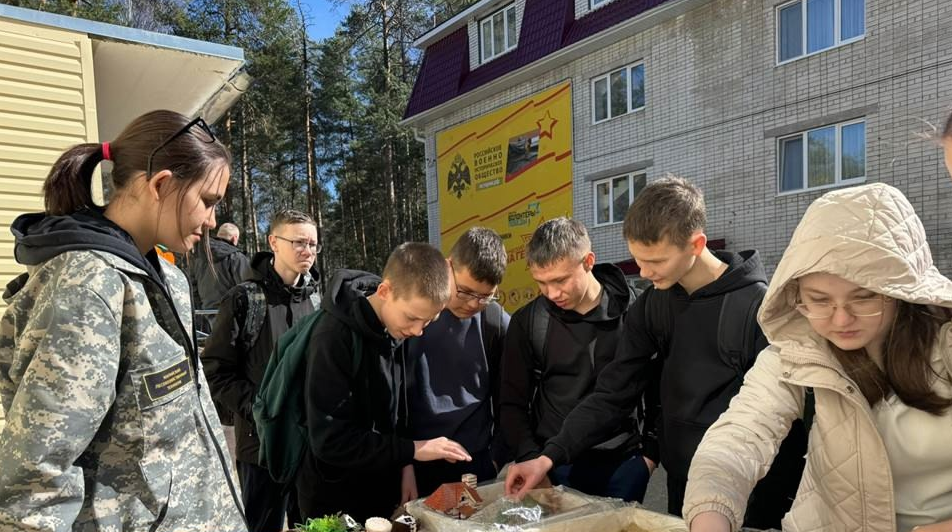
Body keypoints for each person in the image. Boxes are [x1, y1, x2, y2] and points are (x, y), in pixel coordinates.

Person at [505, 178, 805, 528]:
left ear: (696, 244)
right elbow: (613, 392)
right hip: (681, 483)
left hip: (749, 490)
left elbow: (779, 418)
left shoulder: (758, 308)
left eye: (656, 261)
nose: (644, 273)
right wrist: (548, 458)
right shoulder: (652, 305)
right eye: (637, 260)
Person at [0, 110, 246, 530]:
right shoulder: (89, 287)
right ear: (161, 185)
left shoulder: (166, 278)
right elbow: (34, 484)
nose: (211, 221)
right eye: (207, 201)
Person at [684, 182, 952, 532]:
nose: (840, 320)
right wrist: (711, 513)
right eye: (819, 300)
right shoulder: (794, 354)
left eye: (864, 297)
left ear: (902, 290)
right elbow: (738, 438)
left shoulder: (945, 343)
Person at [296, 243, 473, 522]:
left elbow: (397, 413)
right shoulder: (332, 338)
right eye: (412, 318)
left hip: (381, 488)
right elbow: (330, 441)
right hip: (333, 500)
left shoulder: (396, 329)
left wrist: (405, 465)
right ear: (384, 291)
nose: (417, 331)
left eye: (428, 322)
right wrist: (414, 450)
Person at [499, 217, 650, 502]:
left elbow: (659, 388)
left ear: (588, 261)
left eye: (560, 280)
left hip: (623, 464)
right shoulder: (529, 321)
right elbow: (511, 402)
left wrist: (650, 458)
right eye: (541, 283)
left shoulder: (636, 311)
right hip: (553, 467)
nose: (552, 293)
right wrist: (532, 459)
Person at [202, 209, 321, 532]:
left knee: (311, 525)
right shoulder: (245, 299)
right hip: (260, 448)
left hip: (308, 446)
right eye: (299, 242)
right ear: (274, 242)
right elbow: (215, 370)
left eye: (313, 244)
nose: (307, 251)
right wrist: (260, 408)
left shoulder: (316, 300)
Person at [403, 227, 510, 499]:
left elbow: (510, 398)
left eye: (485, 296)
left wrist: (496, 458)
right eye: (465, 291)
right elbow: (391, 401)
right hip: (416, 461)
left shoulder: (495, 322)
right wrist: (403, 463)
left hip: (476, 464)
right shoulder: (412, 312)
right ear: (448, 265)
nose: (473, 304)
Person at [189, 222, 253, 311]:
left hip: (204, 313)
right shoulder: (236, 257)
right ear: (234, 238)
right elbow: (247, 287)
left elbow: (192, 288)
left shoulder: (198, 257)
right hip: (230, 314)